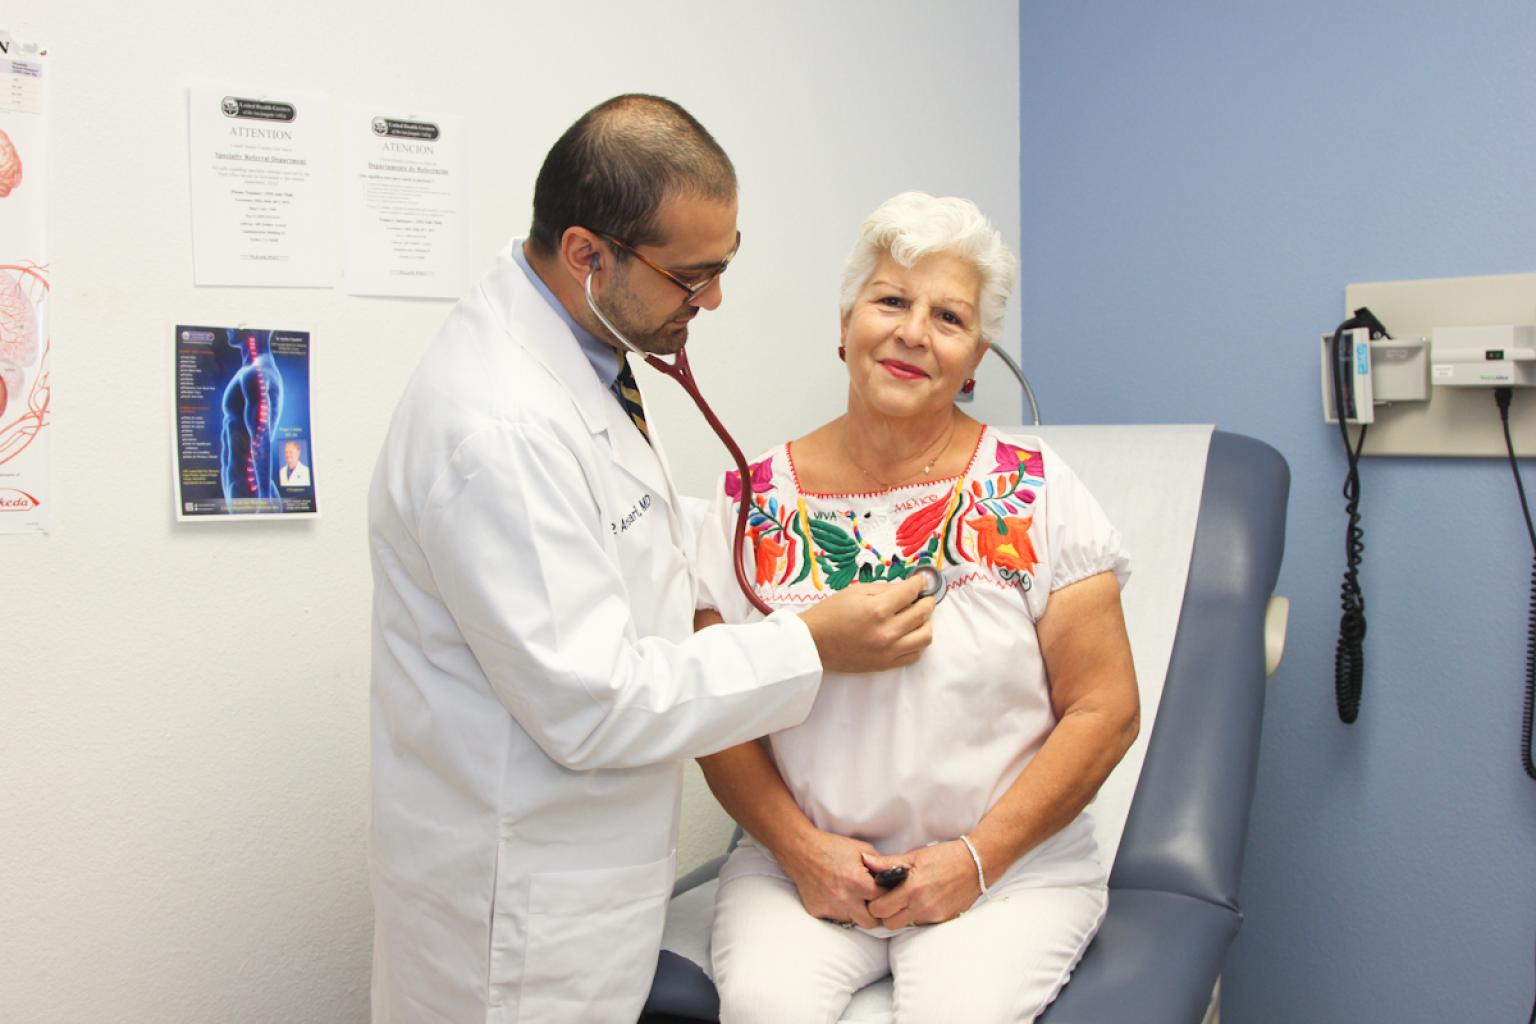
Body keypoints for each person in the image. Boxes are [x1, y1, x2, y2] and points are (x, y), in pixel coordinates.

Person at [366, 97, 936, 1024]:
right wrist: (810, 643)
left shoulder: (583, 350)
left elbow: (615, 527)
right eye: (692, 275)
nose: (713, 300)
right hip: (519, 916)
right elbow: (594, 705)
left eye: (725, 263)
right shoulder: (499, 425)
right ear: (589, 254)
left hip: (587, 880)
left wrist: (790, 525)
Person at [695, 192, 1141, 1023]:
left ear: (974, 360)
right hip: (806, 863)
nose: (912, 332)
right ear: (845, 325)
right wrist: (802, 852)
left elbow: (1106, 708)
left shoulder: (1035, 489)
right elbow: (717, 711)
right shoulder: (751, 500)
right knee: (763, 1007)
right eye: (891, 300)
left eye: (949, 317)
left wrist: (975, 861)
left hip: (1010, 870)